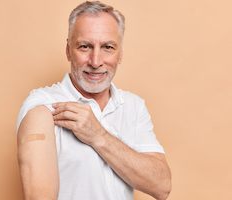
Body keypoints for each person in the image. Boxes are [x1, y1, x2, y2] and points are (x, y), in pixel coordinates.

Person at [16, 1, 171, 200]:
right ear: (68, 50)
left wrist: (98, 136)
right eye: (85, 46)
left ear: (120, 53)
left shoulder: (134, 106)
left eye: (107, 47)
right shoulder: (42, 108)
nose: (96, 61)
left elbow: (162, 186)